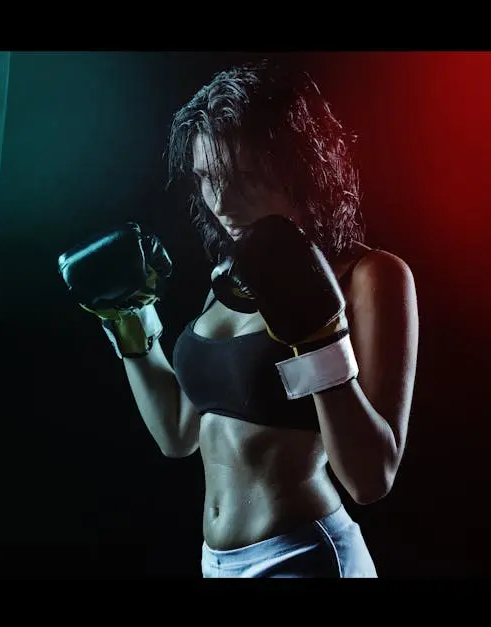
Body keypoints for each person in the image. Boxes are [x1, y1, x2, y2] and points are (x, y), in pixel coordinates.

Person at [58, 59, 419, 578]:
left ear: (299, 168)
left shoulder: (369, 275)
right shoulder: (229, 272)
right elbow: (178, 434)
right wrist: (129, 319)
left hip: (304, 556)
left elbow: (371, 478)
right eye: (208, 178)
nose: (222, 202)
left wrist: (322, 341)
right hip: (216, 562)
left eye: (243, 178)